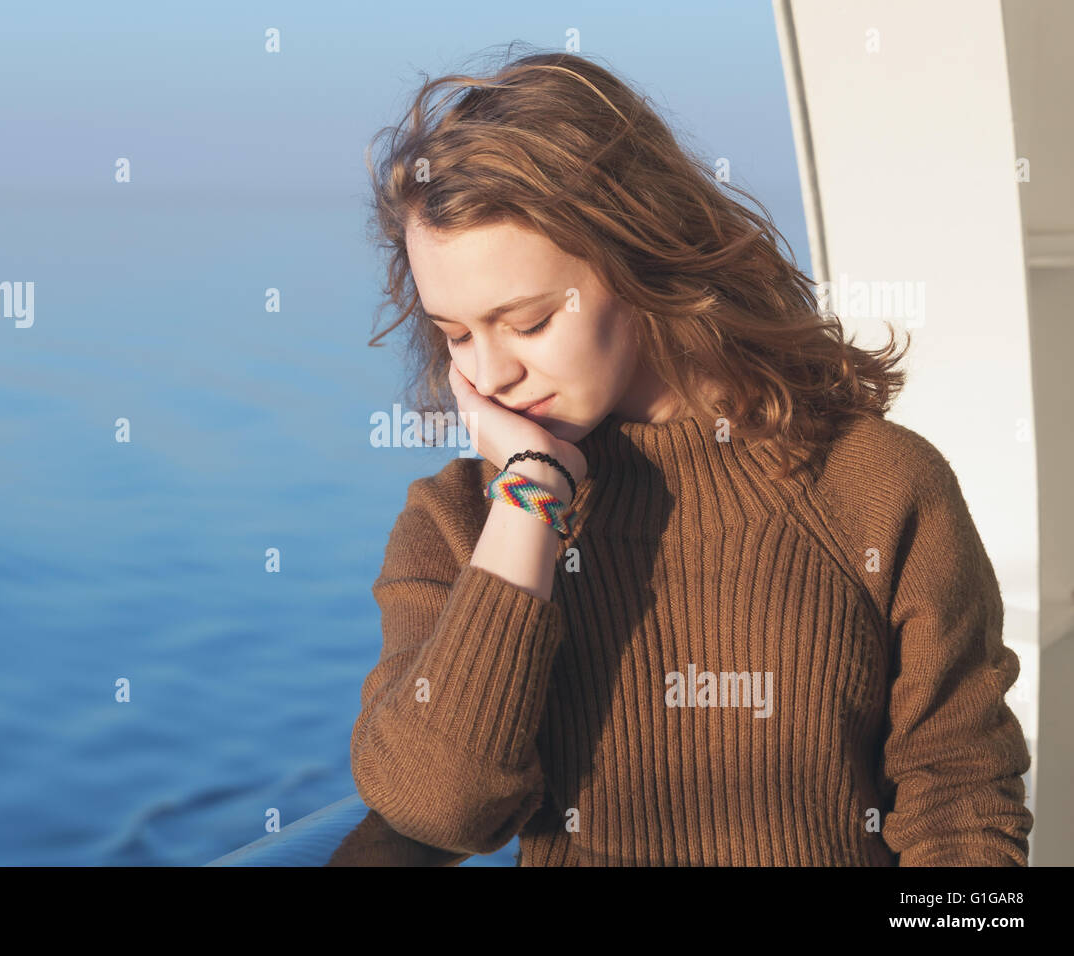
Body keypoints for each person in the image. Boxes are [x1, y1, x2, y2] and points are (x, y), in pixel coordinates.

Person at [351, 48, 1033, 866]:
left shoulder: (879, 486)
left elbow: (959, 798)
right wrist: (533, 498)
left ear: (639, 258)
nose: (490, 373)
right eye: (456, 334)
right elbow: (436, 809)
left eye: (528, 323)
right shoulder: (461, 521)